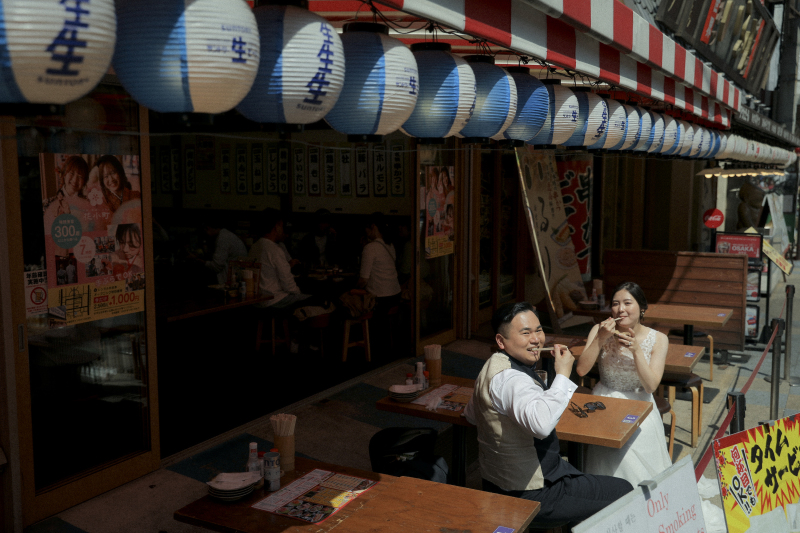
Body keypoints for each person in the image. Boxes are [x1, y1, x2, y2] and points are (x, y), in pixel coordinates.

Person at [464, 302, 633, 529]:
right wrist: (562, 375)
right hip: (534, 491)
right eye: (525, 333)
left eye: (539, 330)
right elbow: (542, 426)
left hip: (496, 482)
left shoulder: (491, 367)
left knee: (583, 482)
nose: (536, 339)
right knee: (625, 491)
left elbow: (471, 415)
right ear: (501, 341)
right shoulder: (513, 380)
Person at [576, 281, 672, 486]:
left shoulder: (659, 339)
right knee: (606, 462)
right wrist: (600, 339)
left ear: (642, 307)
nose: (621, 309)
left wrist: (637, 350)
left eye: (628, 303)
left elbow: (651, 386)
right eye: (616, 303)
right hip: (605, 401)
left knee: (638, 459)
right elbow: (581, 370)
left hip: (640, 404)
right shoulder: (598, 330)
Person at [248, 208, 310, 310]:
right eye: (281, 225)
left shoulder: (254, 247)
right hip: (275, 300)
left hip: (257, 301)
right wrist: (298, 292)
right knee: (317, 300)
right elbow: (288, 284)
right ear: (276, 227)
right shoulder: (275, 249)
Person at [358, 212, 401, 315]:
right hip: (396, 295)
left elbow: (363, 280)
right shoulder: (390, 245)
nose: (365, 231)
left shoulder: (370, 248)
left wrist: (353, 288)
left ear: (372, 226)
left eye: (366, 228)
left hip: (380, 299)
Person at [43, 155, 91, 226]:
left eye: (80, 176)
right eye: (72, 173)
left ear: (84, 182)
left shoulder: (90, 205)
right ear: (64, 174)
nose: (75, 180)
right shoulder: (47, 204)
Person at [200, 218, 248, 285]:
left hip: (230, 280)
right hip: (235, 276)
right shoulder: (225, 235)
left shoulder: (223, 238)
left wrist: (199, 260)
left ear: (207, 228)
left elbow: (216, 266)